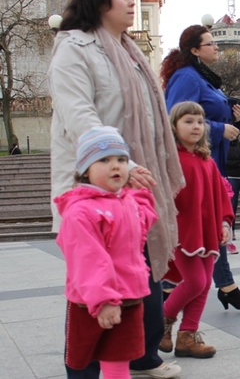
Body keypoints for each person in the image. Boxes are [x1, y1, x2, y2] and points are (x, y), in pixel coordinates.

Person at [48, 0, 184, 378]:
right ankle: (85, 369)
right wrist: (119, 161)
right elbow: (80, 116)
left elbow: (151, 119)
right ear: (98, 1)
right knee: (93, 279)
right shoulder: (74, 48)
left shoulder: (132, 53)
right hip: (93, 188)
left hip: (133, 185)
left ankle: (142, 357)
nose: (131, 2)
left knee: (138, 270)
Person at [162, 24, 240, 311]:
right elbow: (173, 119)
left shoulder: (203, 77)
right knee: (207, 226)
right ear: (194, 49)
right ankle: (210, 288)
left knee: (212, 226)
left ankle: (181, 287)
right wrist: (219, 127)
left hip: (209, 161)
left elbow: (206, 113)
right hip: (193, 164)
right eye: (210, 43)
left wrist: (232, 117)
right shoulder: (187, 77)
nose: (216, 47)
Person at [55, 127, 158, 379]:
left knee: (119, 360)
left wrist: (142, 193)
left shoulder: (127, 201)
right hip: (92, 302)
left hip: (130, 296)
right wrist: (104, 301)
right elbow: (88, 260)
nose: (116, 166)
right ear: (85, 169)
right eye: (104, 160)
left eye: (121, 160)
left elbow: (145, 220)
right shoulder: (81, 211)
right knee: (82, 363)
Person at [159, 102, 234, 359]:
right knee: (195, 282)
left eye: (200, 122)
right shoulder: (170, 161)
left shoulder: (206, 161)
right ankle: (161, 323)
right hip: (181, 232)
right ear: (174, 126)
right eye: (188, 121)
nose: (196, 127)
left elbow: (221, 195)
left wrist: (224, 222)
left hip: (206, 231)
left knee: (203, 287)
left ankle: (187, 336)